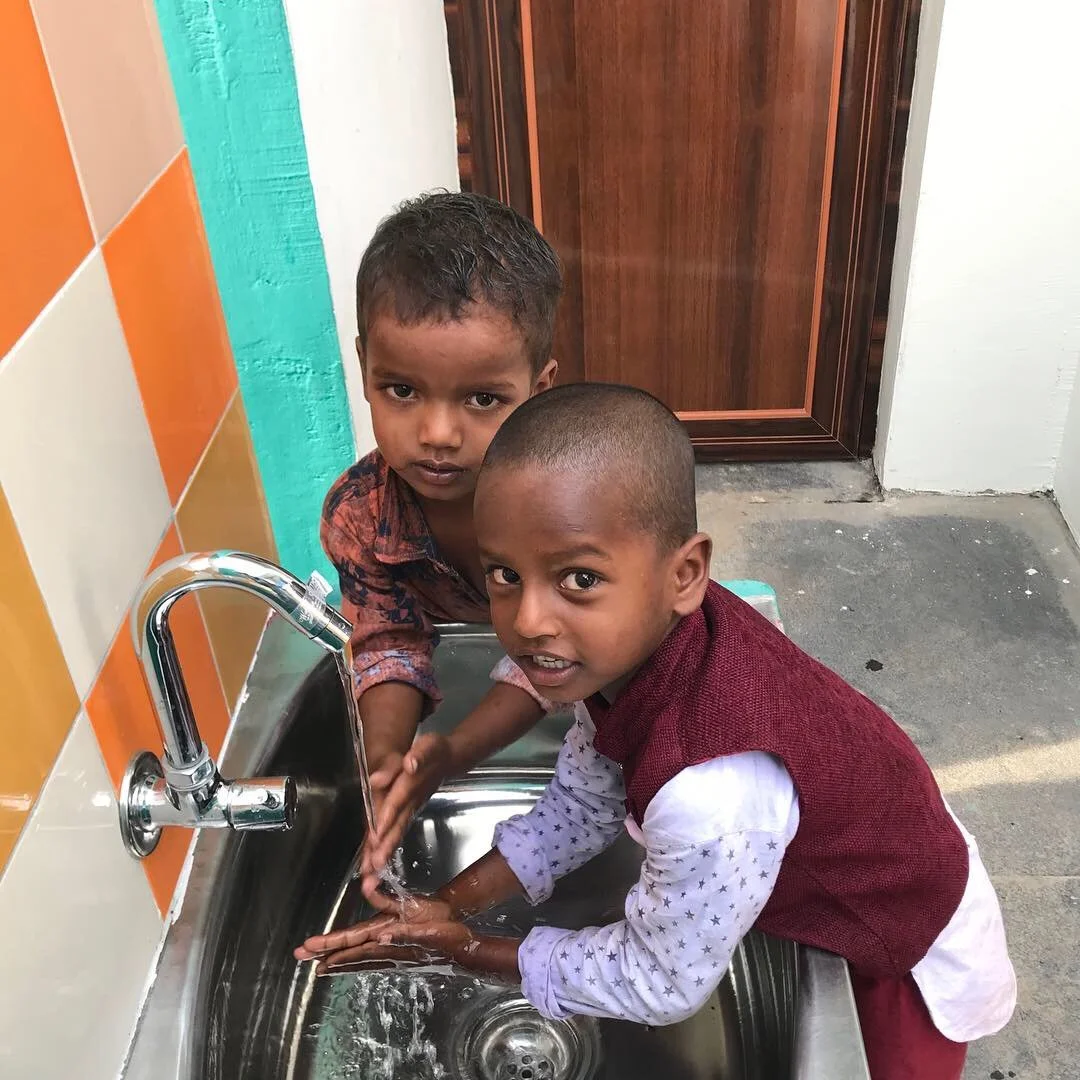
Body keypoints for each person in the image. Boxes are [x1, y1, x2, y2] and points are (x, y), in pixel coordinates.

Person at [297, 383, 1016, 1079]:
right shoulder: (630, 649)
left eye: (578, 579)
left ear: (686, 573)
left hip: (900, 953)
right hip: (846, 875)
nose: (528, 620)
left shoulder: (711, 789)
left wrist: (473, 949)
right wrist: (446, 905)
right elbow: (582, 804)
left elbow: (664, 982)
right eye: (505, 574)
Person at [322, 191, 561, 881]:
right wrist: (391, 761)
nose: (436, 435)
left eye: (482, 399)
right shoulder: (361, 515)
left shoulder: (568, 504)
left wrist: (454, 751)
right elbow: (389, 640)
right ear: (365, 365)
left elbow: (551, 652)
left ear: (538, 389)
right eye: (401, 390)